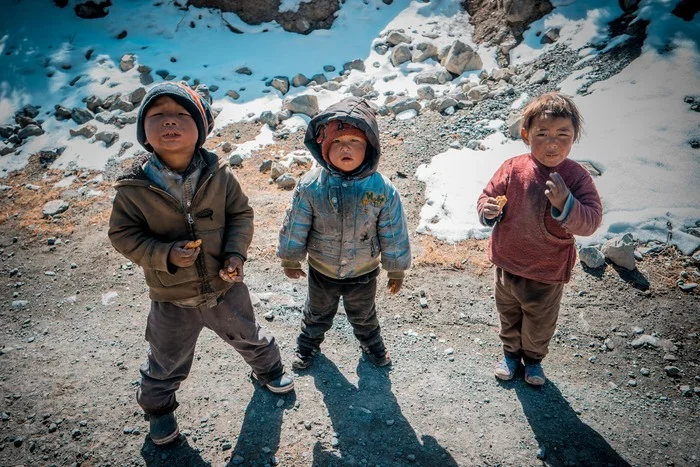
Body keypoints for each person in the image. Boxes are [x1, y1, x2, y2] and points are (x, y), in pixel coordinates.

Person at [108, 82, 293, 446]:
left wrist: (235, 255)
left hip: (225, 286)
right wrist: (165, 255)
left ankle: (269, 370)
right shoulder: (133, 188)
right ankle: (159, 411)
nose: (169, 123)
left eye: (181, 115)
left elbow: (241, 214)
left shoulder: (219, 175)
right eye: (157, 116)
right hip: (171, 296)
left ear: (201, 129)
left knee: (248, 334)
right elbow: (123, 235)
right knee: (165, 360)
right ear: (144, 131)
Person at [477, 92, 602, 386]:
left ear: (574, 138)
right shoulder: (513, 167)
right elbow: (487, 196)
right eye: (542, 133)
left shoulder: (576, 177)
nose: (552, 143)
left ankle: (533, 361)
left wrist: (566, 202)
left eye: (563, 134)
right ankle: (510, 355)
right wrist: (489, 208)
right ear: (526, 134)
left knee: (539, 323)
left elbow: (591, 221)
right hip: (507, 264)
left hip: (546, 272)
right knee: (508, 315)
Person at [277, 97, 411, 370]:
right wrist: (290, 259)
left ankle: (372, 344)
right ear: (324, 149)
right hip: (322, 269)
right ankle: (307, 346)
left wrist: (396, 268)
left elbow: (393, 231)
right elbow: (296, 225)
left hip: (363, 271)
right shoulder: (311, 185)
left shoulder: (381, 189)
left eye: (355, 142)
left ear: (370, 148)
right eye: (337, 142)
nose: (345, 147)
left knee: (363, 314)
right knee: (316, 313)